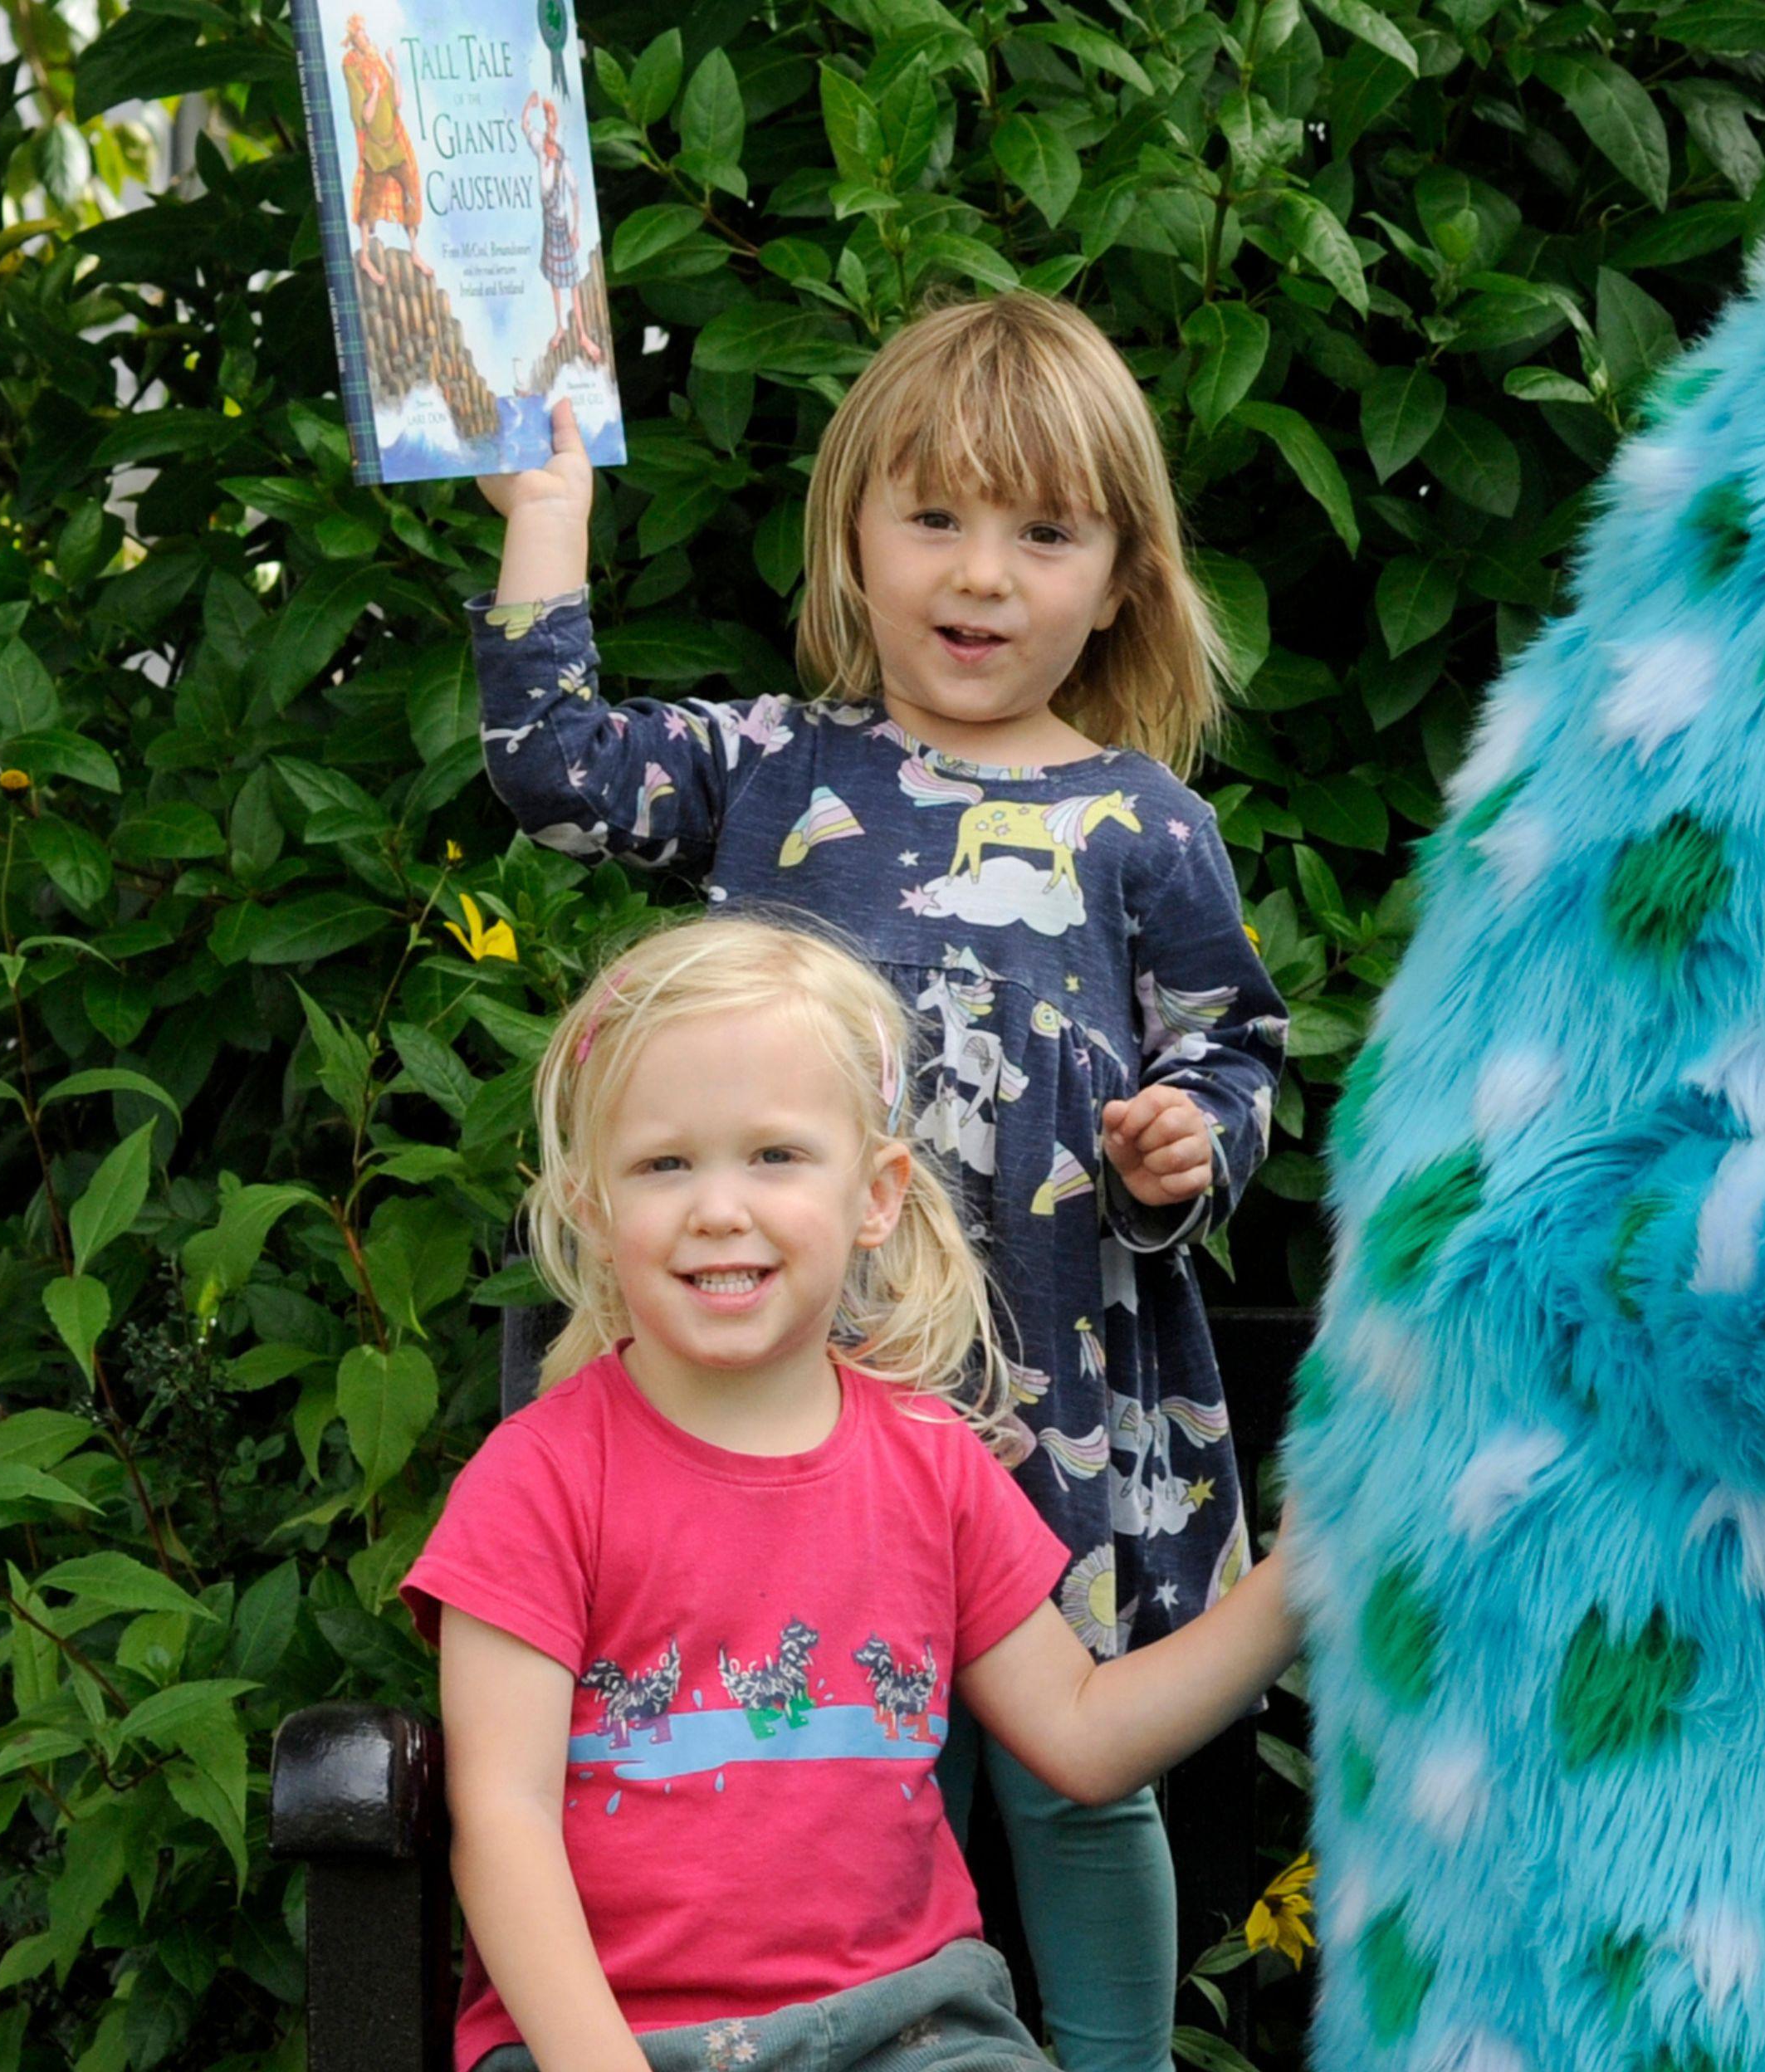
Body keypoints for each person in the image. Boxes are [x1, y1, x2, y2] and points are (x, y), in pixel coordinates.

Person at [470, 291, 1287, 2070]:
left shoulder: (1148, 824)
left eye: (1042, 533)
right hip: (791, 1411)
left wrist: (1186, 1143)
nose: (980, 575)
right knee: (828, 1753)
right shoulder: (781, 769)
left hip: (1057, 1399)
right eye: (934, 518)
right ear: (852, 536)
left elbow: (1239, 1048)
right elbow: (555, 779)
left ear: (1124, 576)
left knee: (1080, 1793)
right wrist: (546, 528)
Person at [407, 918, 1300, 2072]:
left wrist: (1296, 1588)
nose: (720, 1207)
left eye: (775, 1156)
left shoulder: (932, 1465)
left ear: (874, 1196)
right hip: (616, 2041)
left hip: (912, 2034)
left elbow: (1082, 1738)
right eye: (664, 1164)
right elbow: (504, 1822)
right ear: (591, 1209)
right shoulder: (537, 1482)